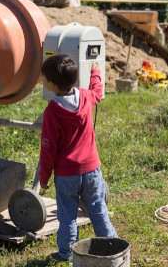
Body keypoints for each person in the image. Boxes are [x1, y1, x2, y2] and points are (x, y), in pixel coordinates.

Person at [39, 54, 117, 262]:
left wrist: (44, 179)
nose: (43, 81)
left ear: (52, 84)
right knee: (98, 210)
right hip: (92, 170)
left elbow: (48, 150)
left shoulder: (52, 112)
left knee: (67, 216)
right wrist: (95, 72)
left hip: (66, 175)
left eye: (44, 78)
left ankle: (65, 253)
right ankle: (113, 248)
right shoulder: (86, 97)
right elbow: (98, 92)